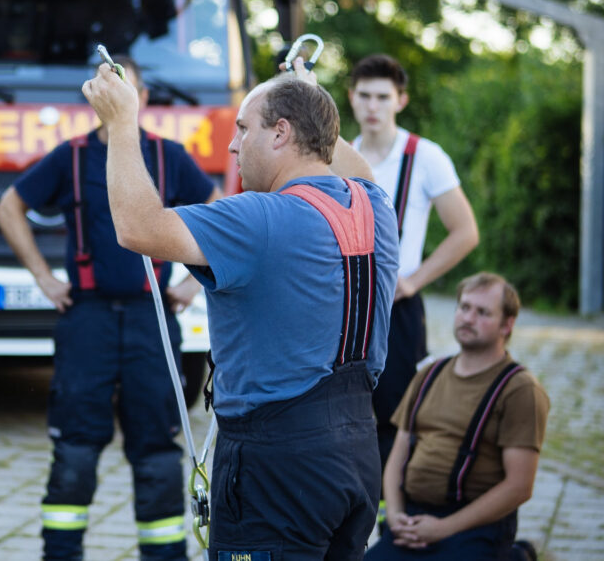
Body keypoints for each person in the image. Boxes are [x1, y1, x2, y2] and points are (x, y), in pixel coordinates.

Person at [80, 57, 399, 559]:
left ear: (280, 133)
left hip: (276, 461)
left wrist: (121, 124)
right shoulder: (374, 207)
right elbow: (354, 166)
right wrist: (306, 95)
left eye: (244, 128)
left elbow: (137, 228)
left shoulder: (261, 217)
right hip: (357, 449)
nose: (232, 145)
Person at [0, 56, 221, 560]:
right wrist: (42, 276)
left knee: (158, 451)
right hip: (87, 319)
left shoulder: (167, 157)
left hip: (150, 318)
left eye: (124, 83)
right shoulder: (70, 157)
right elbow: (8, 206)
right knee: (75, 447)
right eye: (106, 83)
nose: (114, 91)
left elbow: (218, 208)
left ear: (138, 95)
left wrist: (191, 281)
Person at [348, 54, 480, 469]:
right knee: (343, 417)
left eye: (383, 97)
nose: (373, 106)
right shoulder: (341, 157)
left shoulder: (424, 156)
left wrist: (413, 281)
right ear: (351, 98)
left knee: (397, 417)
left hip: (398, 308)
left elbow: (465, 232)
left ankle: (394, 523)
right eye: (365, 96)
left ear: (400, 101)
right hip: (346, 305)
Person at [366, 272, 550, 560]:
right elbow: (398, 456)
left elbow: (519, 486)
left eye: (482, 312)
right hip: (413, 520)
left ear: (507, 324)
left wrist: (443, 528)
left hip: (475, 527)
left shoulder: (519, 389)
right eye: (464, 307)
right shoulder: (429, 374)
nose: (468, 318)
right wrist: (396, 515)